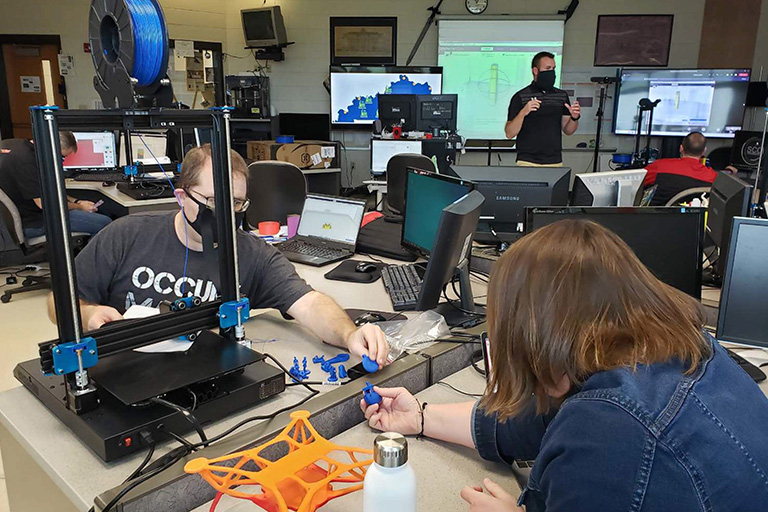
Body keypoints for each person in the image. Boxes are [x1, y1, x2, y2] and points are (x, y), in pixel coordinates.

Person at [361, 219, 768, 511]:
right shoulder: (683, 347)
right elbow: (533, 421)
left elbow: (589, 435)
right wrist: (419, 418)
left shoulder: (610, 429)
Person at [48, 144, 389, 367]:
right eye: (212, 201)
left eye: (236, 203)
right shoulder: (126, 235)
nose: (225, 214)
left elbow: (310, 303)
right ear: (182, 197)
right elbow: (56, 303)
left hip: (206, 379)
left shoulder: (251, 253)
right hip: (124, 372)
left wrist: (349, 334)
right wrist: (88, 314)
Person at [0, 132, 112, 237]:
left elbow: (50, 191)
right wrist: (80, 207)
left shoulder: (19, 146)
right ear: (51, 148)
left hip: (29, 215)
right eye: (62, 157)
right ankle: (88, 257)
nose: (61, 161)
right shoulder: (27, 162)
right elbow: (44, 204)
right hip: (35, 222)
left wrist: (77, 202)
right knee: (105, 224)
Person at [504, 52, 580, 166]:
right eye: (547, 68)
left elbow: (568, 130)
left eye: (553, 68)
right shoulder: (521, 96)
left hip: (554, 160)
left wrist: (574, 118)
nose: (551, 72)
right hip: (527, 160)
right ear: (535, 70)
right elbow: (509, 133)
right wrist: (523, 112)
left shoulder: (561, 96)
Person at [644, 131, 718, 206]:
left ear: (681, 148)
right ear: (704, 151)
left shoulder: (659, 166)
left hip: (657, 216)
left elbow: (636, 183)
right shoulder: (713, 177)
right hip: (694, 217)